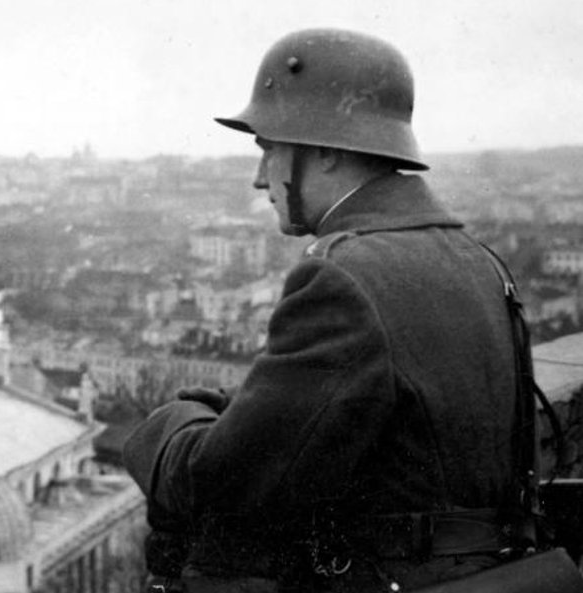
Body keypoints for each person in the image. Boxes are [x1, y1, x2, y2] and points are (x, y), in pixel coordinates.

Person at [123, 29, 528, 593]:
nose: (261, 176)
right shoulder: (477, 260)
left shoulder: (343, 277)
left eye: (269, 148)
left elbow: (228, 483)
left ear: (328, 150)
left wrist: (170, 424)